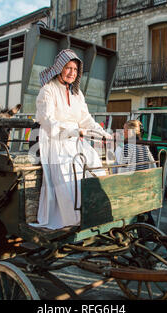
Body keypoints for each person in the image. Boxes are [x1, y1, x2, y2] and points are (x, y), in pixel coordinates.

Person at [30, 49, 112, 230]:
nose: (71, 73)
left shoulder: (77, 94)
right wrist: (76, 131)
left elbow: (86, 119)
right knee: (69, 170)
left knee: (93, 163)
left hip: (75, 140)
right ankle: (71, 220)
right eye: (68, 68)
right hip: (54, 140)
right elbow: (48, 122)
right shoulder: (47, 90)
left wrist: (103, 134)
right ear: (59, 68)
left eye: (75, 70)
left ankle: (93, 212)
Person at [114, 119, 157, 225]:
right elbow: (153, 166)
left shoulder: (123, 149)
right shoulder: (145, 148)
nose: (122, 133)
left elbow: (115, 172)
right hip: (143, 191)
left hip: (129, 194)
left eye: (124, 130)